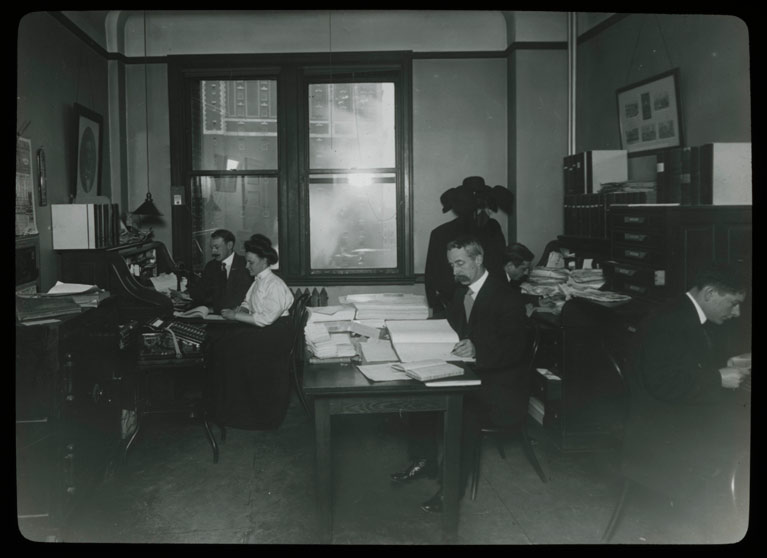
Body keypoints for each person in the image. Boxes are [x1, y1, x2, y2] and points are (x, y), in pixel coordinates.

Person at [391, 235, 530, 513]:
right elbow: (451, 329)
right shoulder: (460, 293)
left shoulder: (507, 296)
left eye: (460, 264)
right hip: (466, 372)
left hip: (497, 385)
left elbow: (516, 348)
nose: (455, 271)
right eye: (452, 265)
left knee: (461, 412)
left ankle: (450, 492)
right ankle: (424, 461)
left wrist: (478, 349)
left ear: (478, 260)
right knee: (418, 391)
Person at [620, 263, 750, 542]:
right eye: (734, 303)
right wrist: (717, 378)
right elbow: (664, 383)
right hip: (659, 431)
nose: (737, 313)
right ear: (711, 294)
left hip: (659, 416)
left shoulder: (681, 311)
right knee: (742, 435)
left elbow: (680, 365)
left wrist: (723, 366)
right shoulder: (671, 321)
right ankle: (725, 522)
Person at [206, 234, 295, 430]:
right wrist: (242, 310)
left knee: (229, 349)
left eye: (250, 262)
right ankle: (232, 410)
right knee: (223, 345)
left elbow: (265, 319)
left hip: (276, 333)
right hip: (267, 329)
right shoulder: (257, 280)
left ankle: (254, 415)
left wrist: (234, 316)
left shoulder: (274, 284)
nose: (247, 267)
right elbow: (248, 301)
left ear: (264, 260)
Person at [424, 177, 514, 317]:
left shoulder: (440, 232)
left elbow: (431, 279)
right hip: (463, 304)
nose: (489, 213)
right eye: (486, 208)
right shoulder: (491, 229)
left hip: (475, 303)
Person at [186, 229, 253, 314]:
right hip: (215, 318)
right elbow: (202, 294)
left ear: (229, 245)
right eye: (212, 248)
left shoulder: (246, 265)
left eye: (217, 247)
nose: (213, 251)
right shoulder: (210, 266)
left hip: (239, 318)